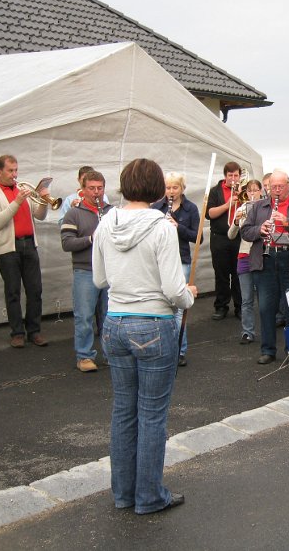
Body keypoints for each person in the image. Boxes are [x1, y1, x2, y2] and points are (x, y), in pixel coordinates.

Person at [92, 158, 197, 515]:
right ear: (155, 188)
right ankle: (149, 496)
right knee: (151, 414)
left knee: (123, 411)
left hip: (115, 323)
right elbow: (173, 289)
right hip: (153, 324)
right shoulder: (162, 227)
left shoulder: (106, 223)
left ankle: (123, 494)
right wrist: (190, 295)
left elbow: (99, 280)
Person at [241, 169, 289, 364]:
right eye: (272, 187)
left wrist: (287, 222)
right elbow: (245, 232)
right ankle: (268, 350)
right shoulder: (259, 207)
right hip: (267, 261)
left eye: (279, 186)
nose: (275, 190)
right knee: (266, 307)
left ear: (288, 186)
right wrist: (260, 229)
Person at [0, 155, 50, 348]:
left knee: (35, 290)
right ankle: (17, 333)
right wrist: (17, 202)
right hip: (7, 248)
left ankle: (34, 331)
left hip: (29, 244)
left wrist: (44, 201)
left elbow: (40, 215)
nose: (15, 174)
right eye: (10, 171)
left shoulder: (24, 189)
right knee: (13, 292)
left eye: (16, 170)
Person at [60, 170, 113, 372]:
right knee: (84, 316)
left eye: (100, 188)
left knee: (109, 315)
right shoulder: (73, 213)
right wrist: (91, 239)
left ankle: (110, 354)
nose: (96, 193)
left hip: (109, 271)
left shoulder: (111, 212)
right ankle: (84, 356)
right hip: (85, 270)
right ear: (83, 190)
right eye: (91, 188)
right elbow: (67, 243)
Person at [152, 172, 200, 366]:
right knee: (161, 304)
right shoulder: (156, 208)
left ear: (182, 189)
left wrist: (177, 226)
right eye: (168, 187)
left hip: (181, 260)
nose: (171, 192)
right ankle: (162, 348)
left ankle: (179, 350)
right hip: (159, 261)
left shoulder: (191, 209)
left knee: (180, 307)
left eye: (175, 187)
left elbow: (198, 238)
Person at [206, 162, 243, 320]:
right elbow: (209, 214)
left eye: (236, 175)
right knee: (221, 273)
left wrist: (243, 197)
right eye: (230, 175)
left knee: (238, 274)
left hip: (239, 236)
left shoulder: (244, 191)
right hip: (219, 237)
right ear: (225, 176)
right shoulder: (215, 191)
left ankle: (240, 306)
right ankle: (221, 306)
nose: (233, 179)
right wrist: (228, 205)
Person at [228, 179, 263, 345]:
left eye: (256, 190)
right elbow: (231, 235)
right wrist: (236, 221)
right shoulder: (241, 208)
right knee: (246, 298)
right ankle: (247, 332)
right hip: (244, 254)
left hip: (261, 255)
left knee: (264, 297)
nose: (253, 193)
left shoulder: (266, 208)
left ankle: (269, 329)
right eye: (250, 191)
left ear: (261, 191)